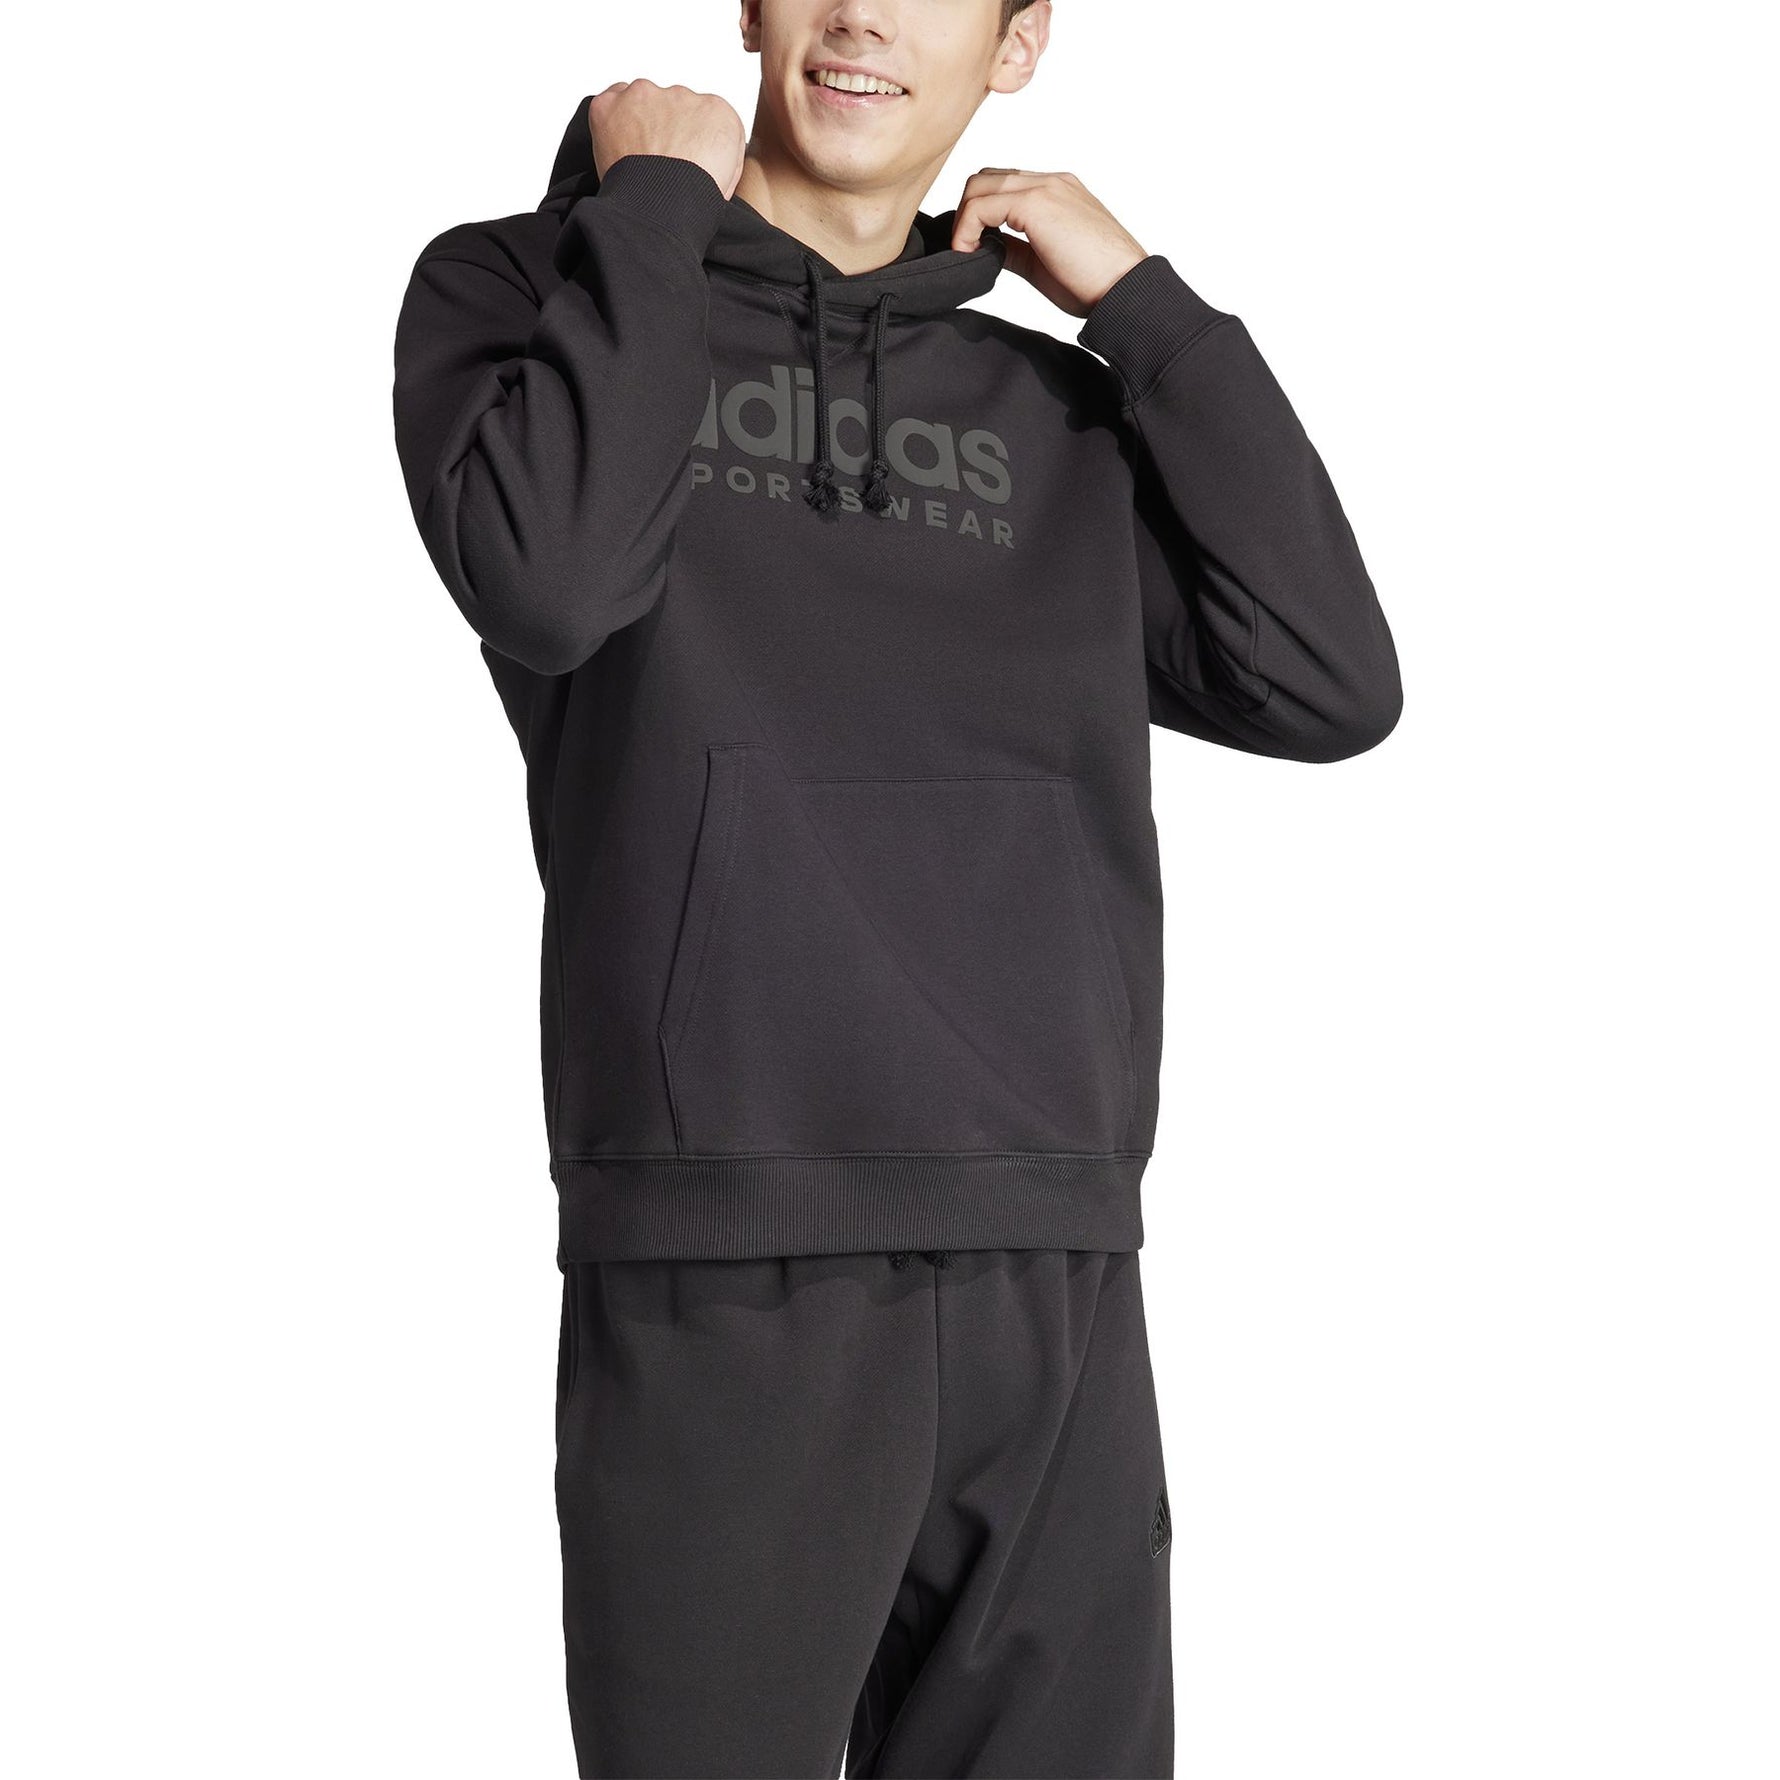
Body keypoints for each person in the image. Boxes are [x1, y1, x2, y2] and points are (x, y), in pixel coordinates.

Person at [392, 2, 1402, 1773]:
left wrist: (1148, 312)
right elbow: (550, 586)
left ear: (1016, 46)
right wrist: (649, 212)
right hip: (728, 1241)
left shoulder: (1058, 409)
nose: (866, 13)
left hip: (1053, 1246)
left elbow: (1327, 681)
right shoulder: (532, 298)